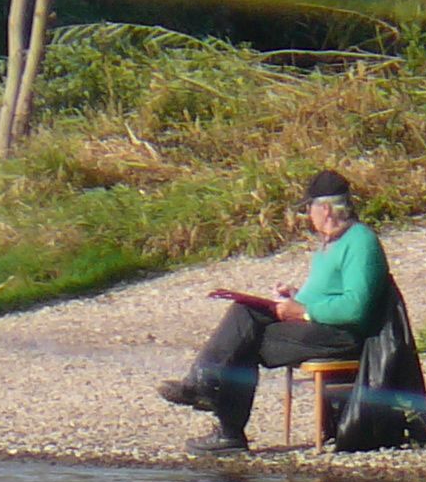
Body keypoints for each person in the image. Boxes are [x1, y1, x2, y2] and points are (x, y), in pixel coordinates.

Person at [159, 170, 390, 455]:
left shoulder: (360, 241)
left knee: (244, 334)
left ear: (326, 209)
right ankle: (211, 399)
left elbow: (355, 308)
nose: (308, 215)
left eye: (309, 208)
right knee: (245, 316)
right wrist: (294, 296)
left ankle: (216, 407)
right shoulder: (329, 244)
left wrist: (304, 311)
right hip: (319, 326)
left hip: (342, 335)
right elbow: (326, 294)